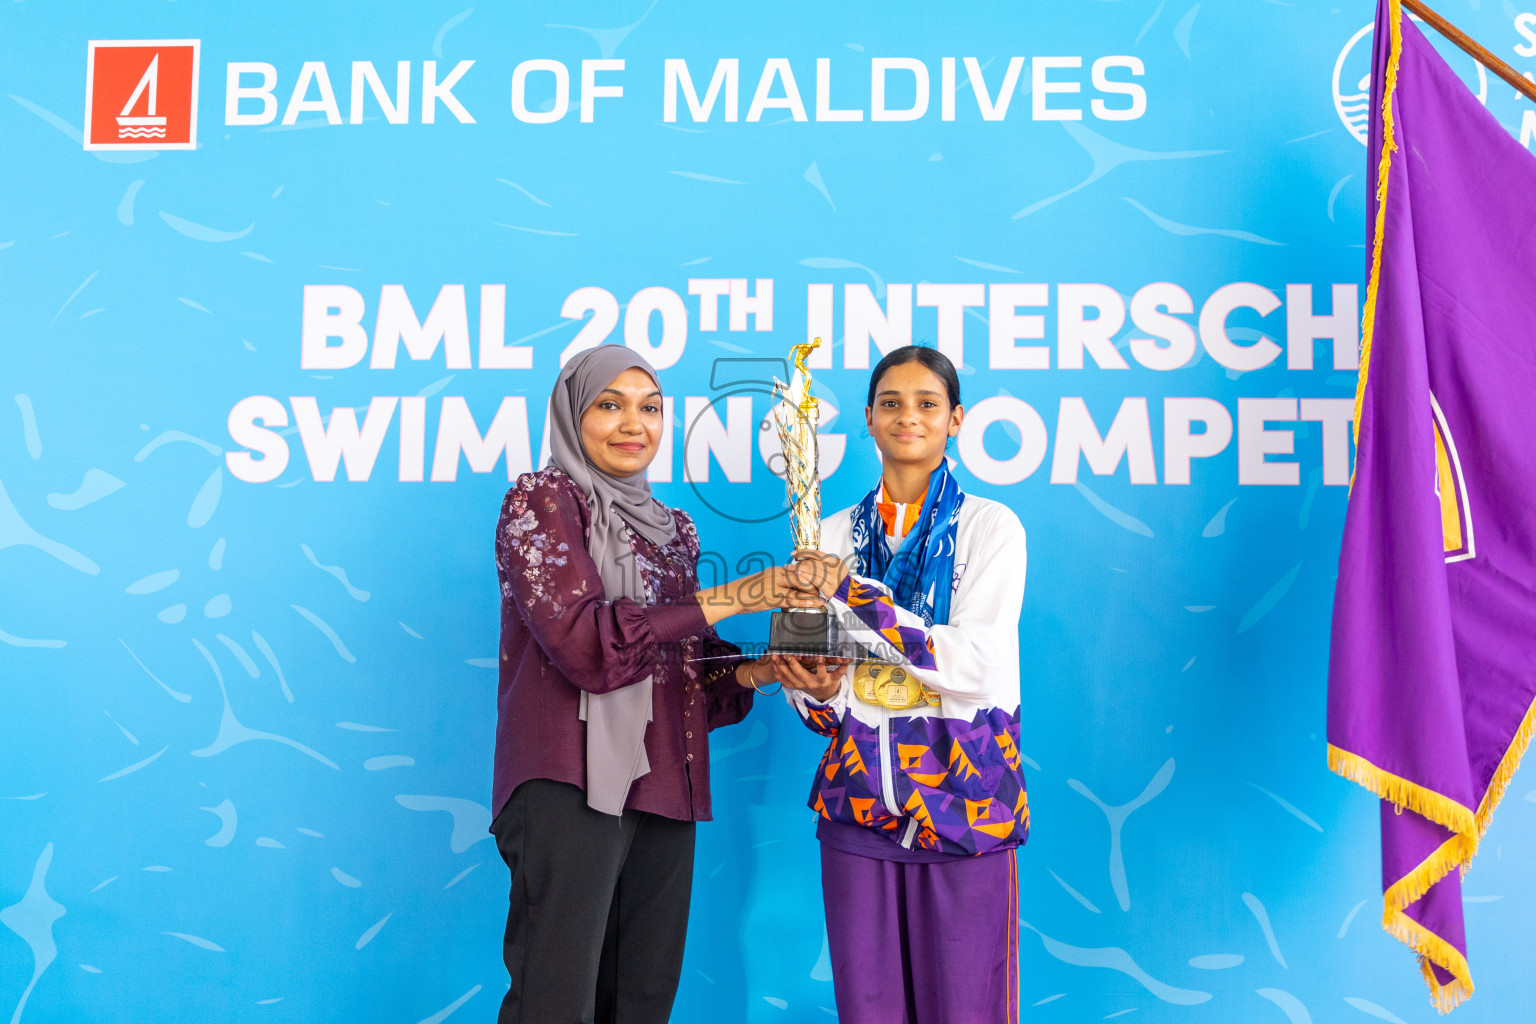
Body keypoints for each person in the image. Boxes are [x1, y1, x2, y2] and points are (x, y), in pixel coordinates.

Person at [490, 344, 818, 1024]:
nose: (632, 423)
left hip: (665, 785)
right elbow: (588, 646)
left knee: (641, 1002)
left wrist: (760, 669)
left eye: (650, 407)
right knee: (557, 1001)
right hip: (569, 782)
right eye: (609, 405)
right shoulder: (541, 502)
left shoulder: (674, 531)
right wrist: (749, 591)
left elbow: (681, 665)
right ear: (573, 414)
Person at [767, 344, 1030, 1024]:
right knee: (869, 1012)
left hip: (965, 807)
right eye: (891, 403)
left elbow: (975, 666)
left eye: (926, 404)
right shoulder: (825, 536)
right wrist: (815, 688)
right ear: (868, 419)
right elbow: (818, 708)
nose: (907, 416)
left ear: (956, 420)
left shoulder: (990, 529)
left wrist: (854, 596)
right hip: (858, 810)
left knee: (968, 1010)